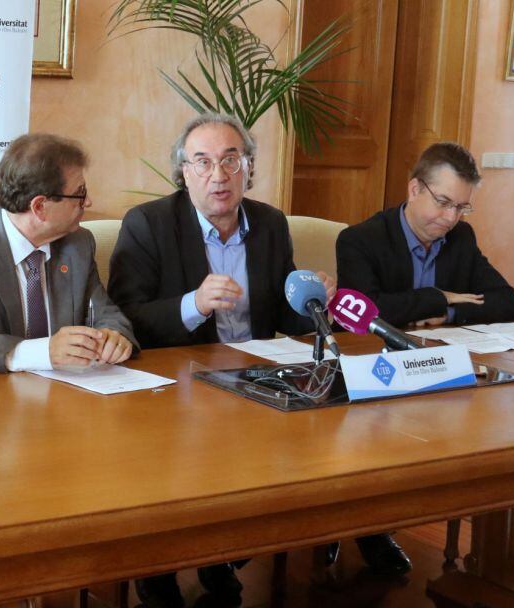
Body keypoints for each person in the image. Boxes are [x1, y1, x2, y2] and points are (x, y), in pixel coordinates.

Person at [108, 113, 406, 607]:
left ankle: (228, 556)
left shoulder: (269, 223)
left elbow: (284, 316)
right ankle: (160, 571)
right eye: (203, 162)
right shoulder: (149, 224)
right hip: (177, 385)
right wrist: (193, 304)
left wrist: (315, 300)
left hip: (256, 379)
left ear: (249, 168)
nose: (218, 176)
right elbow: (126, 318)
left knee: (342, 427)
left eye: (231, 161)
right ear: (183, 172)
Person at [0, 133, 136, 372]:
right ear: (40, 207)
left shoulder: (78, 244)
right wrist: (40, 352)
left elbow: (105, 312)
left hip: (62, 389)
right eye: (80, 193)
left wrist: (113, 336)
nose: (88, 202)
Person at [336, 142, 514, 328]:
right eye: (443, 202)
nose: (451, 218)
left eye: (460, 207)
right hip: (371, 346)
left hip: (437, 345)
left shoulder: (461, 236)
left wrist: (450, 314)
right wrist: (439, 298)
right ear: (414, 190)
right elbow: (362, 314)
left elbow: (508, 302)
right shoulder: (359, 240)